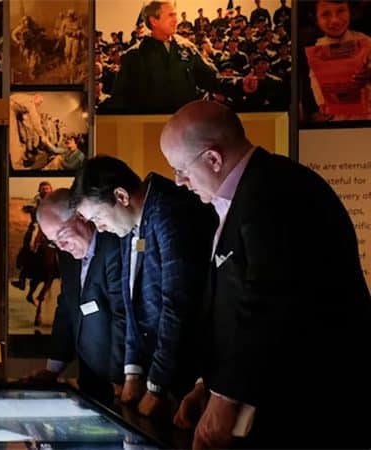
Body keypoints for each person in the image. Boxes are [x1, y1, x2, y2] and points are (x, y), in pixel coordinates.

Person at [160, 100, 371, 449]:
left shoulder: (276, 191)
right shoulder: (248, 192)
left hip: (309, 408)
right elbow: (233, 303)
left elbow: (268, 304)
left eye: (180, 169)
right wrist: (207, 385)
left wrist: (225, 397)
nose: (180, 182)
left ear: (213, 159)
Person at [72, 155, 216, 419]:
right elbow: (131, 304)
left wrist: (156, 387)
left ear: (121, 196)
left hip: (186, 373)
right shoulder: (130, 226)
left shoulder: (169, 211)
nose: (100, 229)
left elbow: (177, 304)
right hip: (157, 372)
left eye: (99, 217)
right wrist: (133, 372)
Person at [27, 189, 125, 405]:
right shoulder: (68, 256)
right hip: (90, 379)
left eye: (61, 235)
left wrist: (122, 376)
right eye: (53, 241)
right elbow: (67, 307)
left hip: (123, 383)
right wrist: (53, 368)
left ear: (80, 216)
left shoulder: (113, 245)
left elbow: (122, 314)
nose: (60, 246)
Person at [106, 1, 245, 113]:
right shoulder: (134, 56)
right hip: (150, 130)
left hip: (185, 128)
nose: (176, 20)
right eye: (170, 16)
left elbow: (212, 79)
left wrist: (240, 84)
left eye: (175, 15)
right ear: (153, 21)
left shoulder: (187, 48)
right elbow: (119, 99)